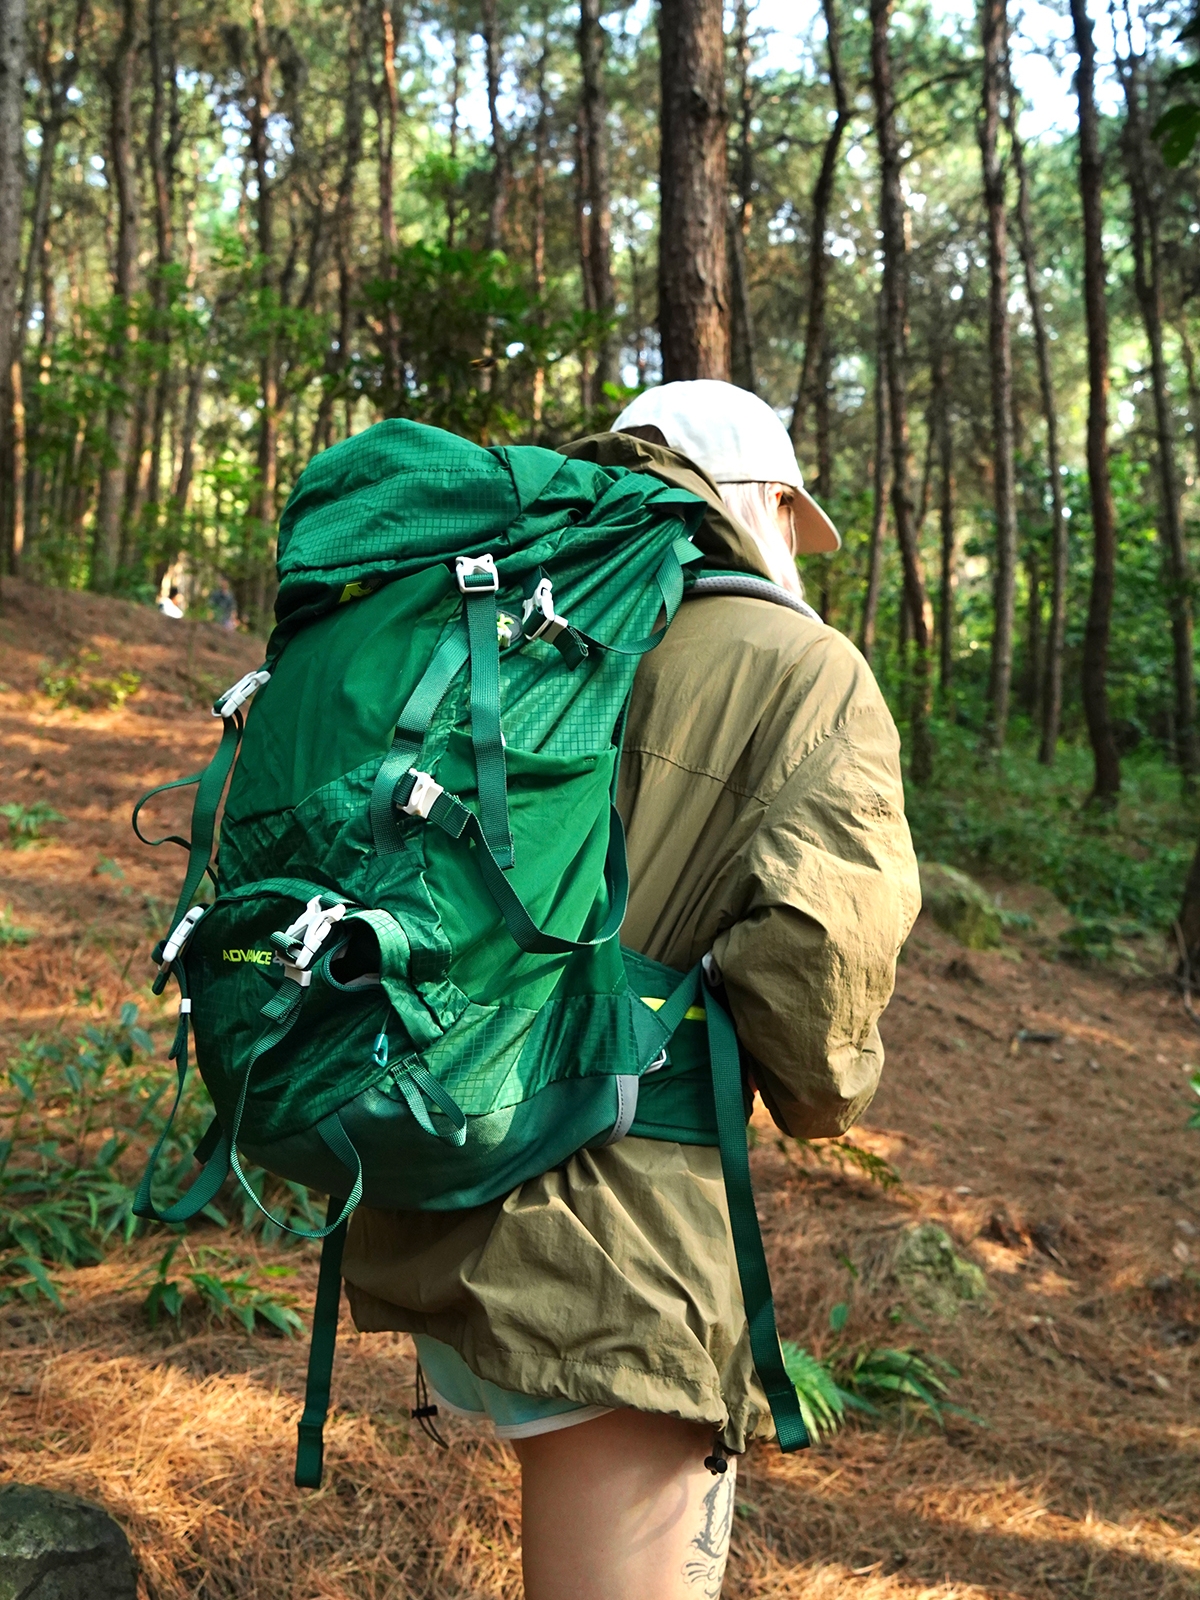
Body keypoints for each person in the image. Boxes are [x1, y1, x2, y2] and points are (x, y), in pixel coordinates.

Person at [341, 380, 920, 1599]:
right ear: (752, 497)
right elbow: (819, 983)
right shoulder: (805, 670)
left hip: (436, 1183)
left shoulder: (504, 621)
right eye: (793, 513)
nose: (802, 547)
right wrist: (831, 1091)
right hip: (619, 1244)